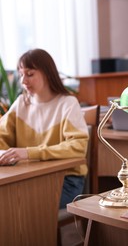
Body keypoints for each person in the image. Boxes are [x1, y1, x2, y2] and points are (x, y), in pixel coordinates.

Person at [0, 48, 89, 209]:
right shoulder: (21, 103)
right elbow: (1, 136)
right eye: (21, 75)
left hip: (66, 181)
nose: (23, 81)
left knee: (17, 205)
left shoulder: (67, 103)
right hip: (29, 177)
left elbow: (78, 148)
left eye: (30, 74)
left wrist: (28, 152)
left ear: (47, 73)